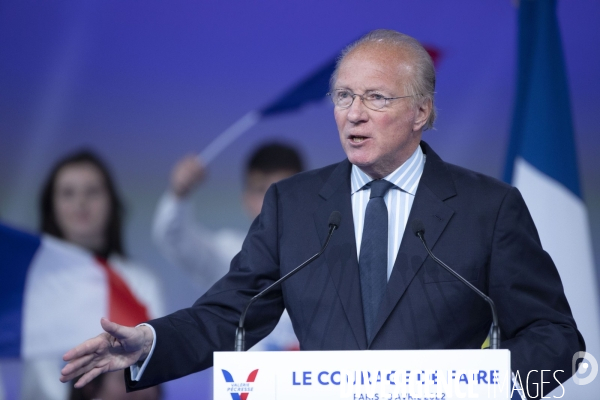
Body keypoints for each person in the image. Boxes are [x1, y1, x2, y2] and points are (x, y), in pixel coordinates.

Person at [60, 30, 584, 399]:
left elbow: (556, 339)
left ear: (421, 111)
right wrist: (150, 342)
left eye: (375, 97)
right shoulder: (293, 205)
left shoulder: (486, 209)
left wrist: (478, 386)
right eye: (343, 96)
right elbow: (229, 315)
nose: (353, 113)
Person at [25, 150, 163, 400]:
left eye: (92, 192)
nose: (80, 203)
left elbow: (155, 364)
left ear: (111, 202)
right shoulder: (32, 286)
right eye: (68, 193)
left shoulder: (139, 282)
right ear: (51, 206)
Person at [152, 142, 304, 351]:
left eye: (282, 188)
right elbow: (173, 237)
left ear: (304, 195)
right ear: (245, 199)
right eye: (261, 190)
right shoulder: (229, 254)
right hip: (240, 383)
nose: (271, 201)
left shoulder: (326, 254)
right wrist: (179, 193)